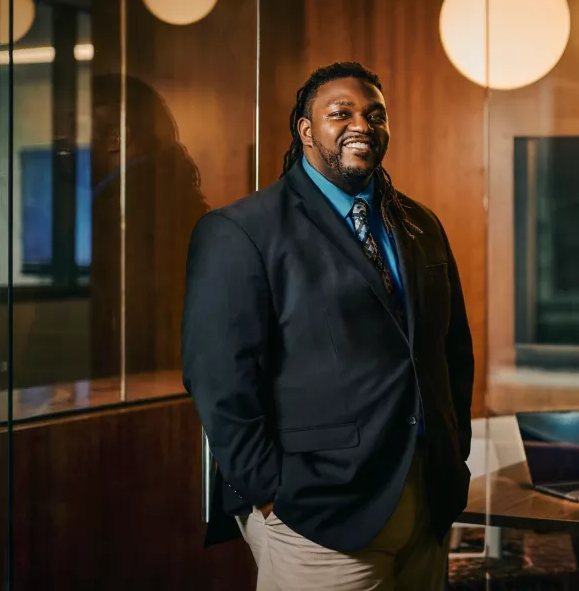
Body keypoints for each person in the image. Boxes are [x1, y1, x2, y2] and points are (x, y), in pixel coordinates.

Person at [182, 62, 474, 590]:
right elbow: (219, 380)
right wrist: (272, 493)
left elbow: (452, 351)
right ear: (306, 130)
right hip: (318, 513)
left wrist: (455, 453)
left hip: (426, 498)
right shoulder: (242, 230)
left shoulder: (420, 224)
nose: (361, 124)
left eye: (375, 114)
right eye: (340, 113)